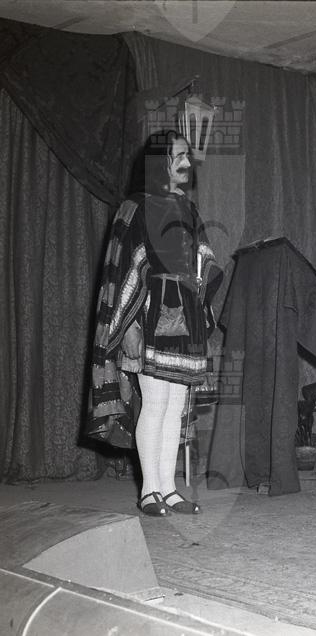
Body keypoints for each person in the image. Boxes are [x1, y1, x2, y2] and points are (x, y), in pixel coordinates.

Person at [88, 130, 223, 516]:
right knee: (155, 402)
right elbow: (122, 270)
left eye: (187, 156)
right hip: (149, 318)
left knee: (176, 407)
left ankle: (170, 489)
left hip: (187, 320)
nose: (187, 163)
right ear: (158, 162)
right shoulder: (134, 208)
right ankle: (150, 491)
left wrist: (204, 275)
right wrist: (128, 325)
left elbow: (205, 258)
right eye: (178, 155)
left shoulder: (189, 209)